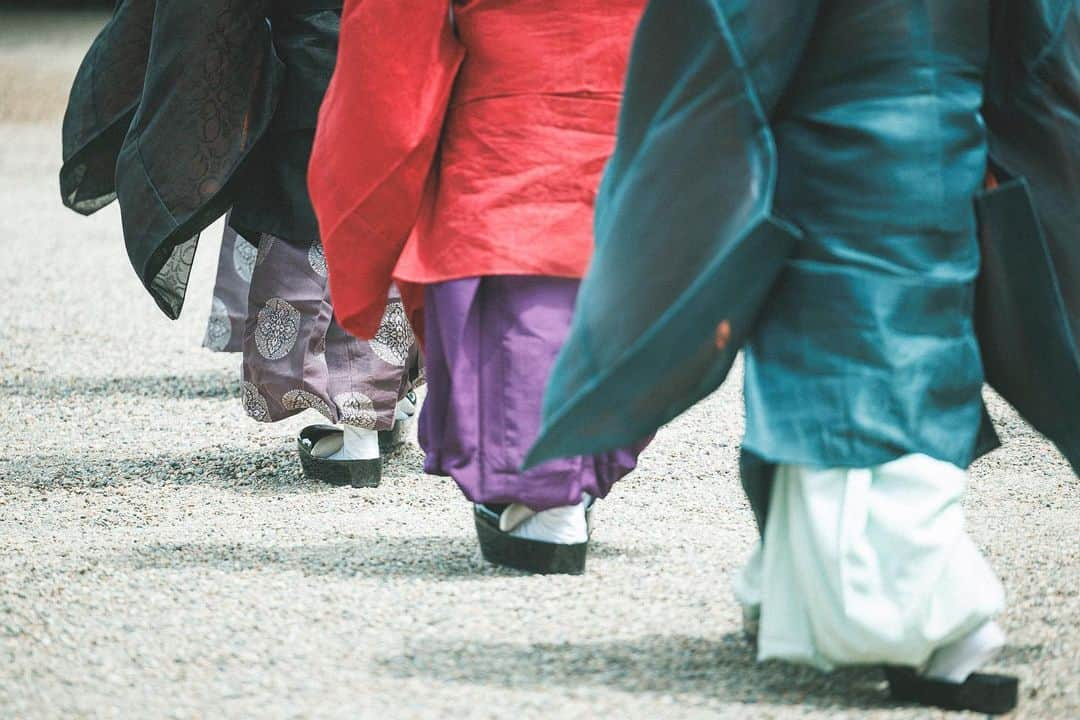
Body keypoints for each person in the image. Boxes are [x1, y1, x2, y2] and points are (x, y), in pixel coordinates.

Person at [526, 0, 1079, 713]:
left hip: (834, 154)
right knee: (911, 370)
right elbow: (1042, 37)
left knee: (844, 382)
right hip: (948, 146)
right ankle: (791, 591)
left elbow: (729, 35)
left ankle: (931, 624)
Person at [308, 0, 649, 573]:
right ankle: (569, 477)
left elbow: (388, 45)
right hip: (636, 86)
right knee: (627, 277)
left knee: (517, 282)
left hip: (510, 101)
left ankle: (543, 497)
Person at [60, 0, 421, 487]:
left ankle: (355, 436)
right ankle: (386, 402)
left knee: (312, 236)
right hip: (403, 69)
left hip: (314, 71)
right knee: (389, 230)